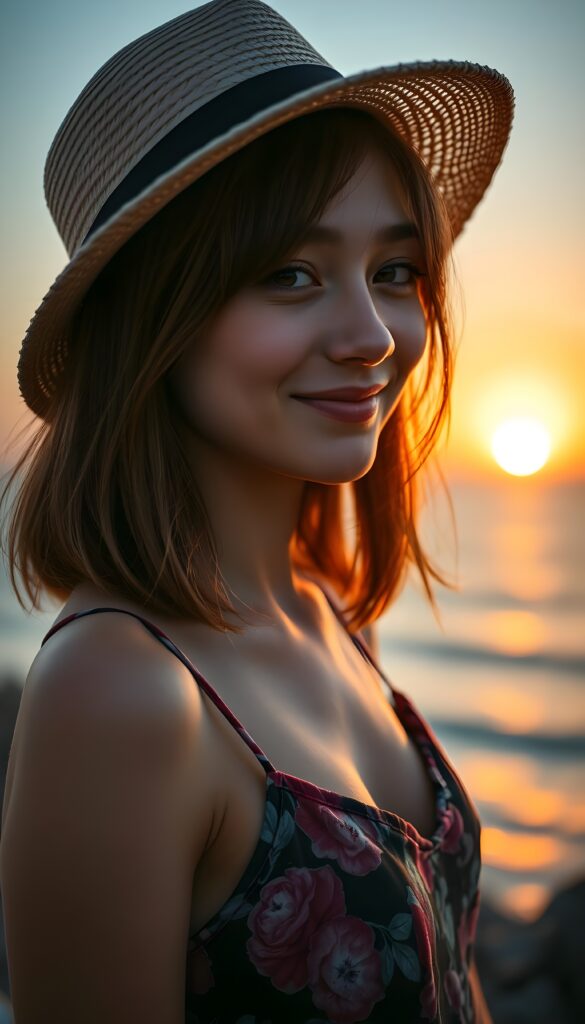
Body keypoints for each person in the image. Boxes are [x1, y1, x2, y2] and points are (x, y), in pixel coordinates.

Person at [0, 0, 513, 1021]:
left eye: (396, 271)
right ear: (157, 321)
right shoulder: (120, 692)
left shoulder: (331, 612)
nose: (372, 334)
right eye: (290, 274)